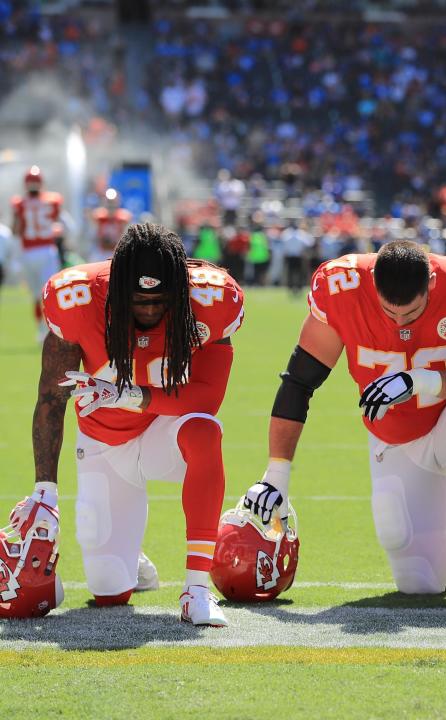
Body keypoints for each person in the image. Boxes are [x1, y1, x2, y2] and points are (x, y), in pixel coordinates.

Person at [243, 240, 446, 611]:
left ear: (432, 283)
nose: (399, 323)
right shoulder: (342, 288)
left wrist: (421, 381)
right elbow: (299, 383)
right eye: (390, 312)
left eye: (412, 312)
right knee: (419, 582)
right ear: (372, 284)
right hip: (395, 439)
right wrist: (276, 473)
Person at [8, 223, 244, 626]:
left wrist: (134, 395)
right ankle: (129, 555)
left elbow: (208, 398)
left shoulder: (211, 298)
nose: (150, 310)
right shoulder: (77, 299)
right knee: (108, 590)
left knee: (204, 430)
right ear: (116, 289)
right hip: (104, 443)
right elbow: (51, 398)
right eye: (137, 300)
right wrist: (44, 489)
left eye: (161, 300)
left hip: (164, 431)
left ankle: (196, 590)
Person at [11, 166, 63, 342]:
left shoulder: (20, 203)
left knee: (37, 295)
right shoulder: (52, 200)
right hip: (46, 250)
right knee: (48, 293)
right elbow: (61, 225)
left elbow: (16, 230)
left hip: (29, 252)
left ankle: (42, 330)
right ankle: (52, 328)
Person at [89, 188, 133, 262]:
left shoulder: (123, 218)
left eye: (112, 202)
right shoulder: (100, 216)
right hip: (102, 251)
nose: (111, 205)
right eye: (109, 202)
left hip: (116, 251)